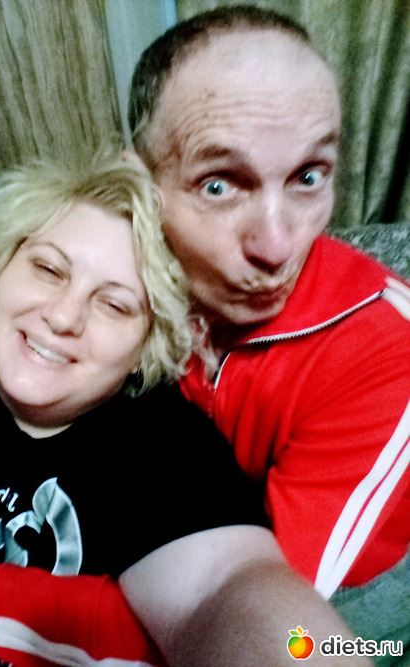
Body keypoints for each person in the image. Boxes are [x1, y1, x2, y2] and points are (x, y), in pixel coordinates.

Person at [0, 152, 367, 666]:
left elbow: (220, 591)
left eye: (114, 304)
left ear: (146, 345)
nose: (62, 317)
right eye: (48, 269)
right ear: (0, 265)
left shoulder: (161, 445)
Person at [127, 2, 410, 657]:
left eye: (309, 177)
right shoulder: (124, 270)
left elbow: (235, 610)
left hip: (346, 590)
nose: (278, 246)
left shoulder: (388, 353)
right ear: (139, 183)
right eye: (220, 185)